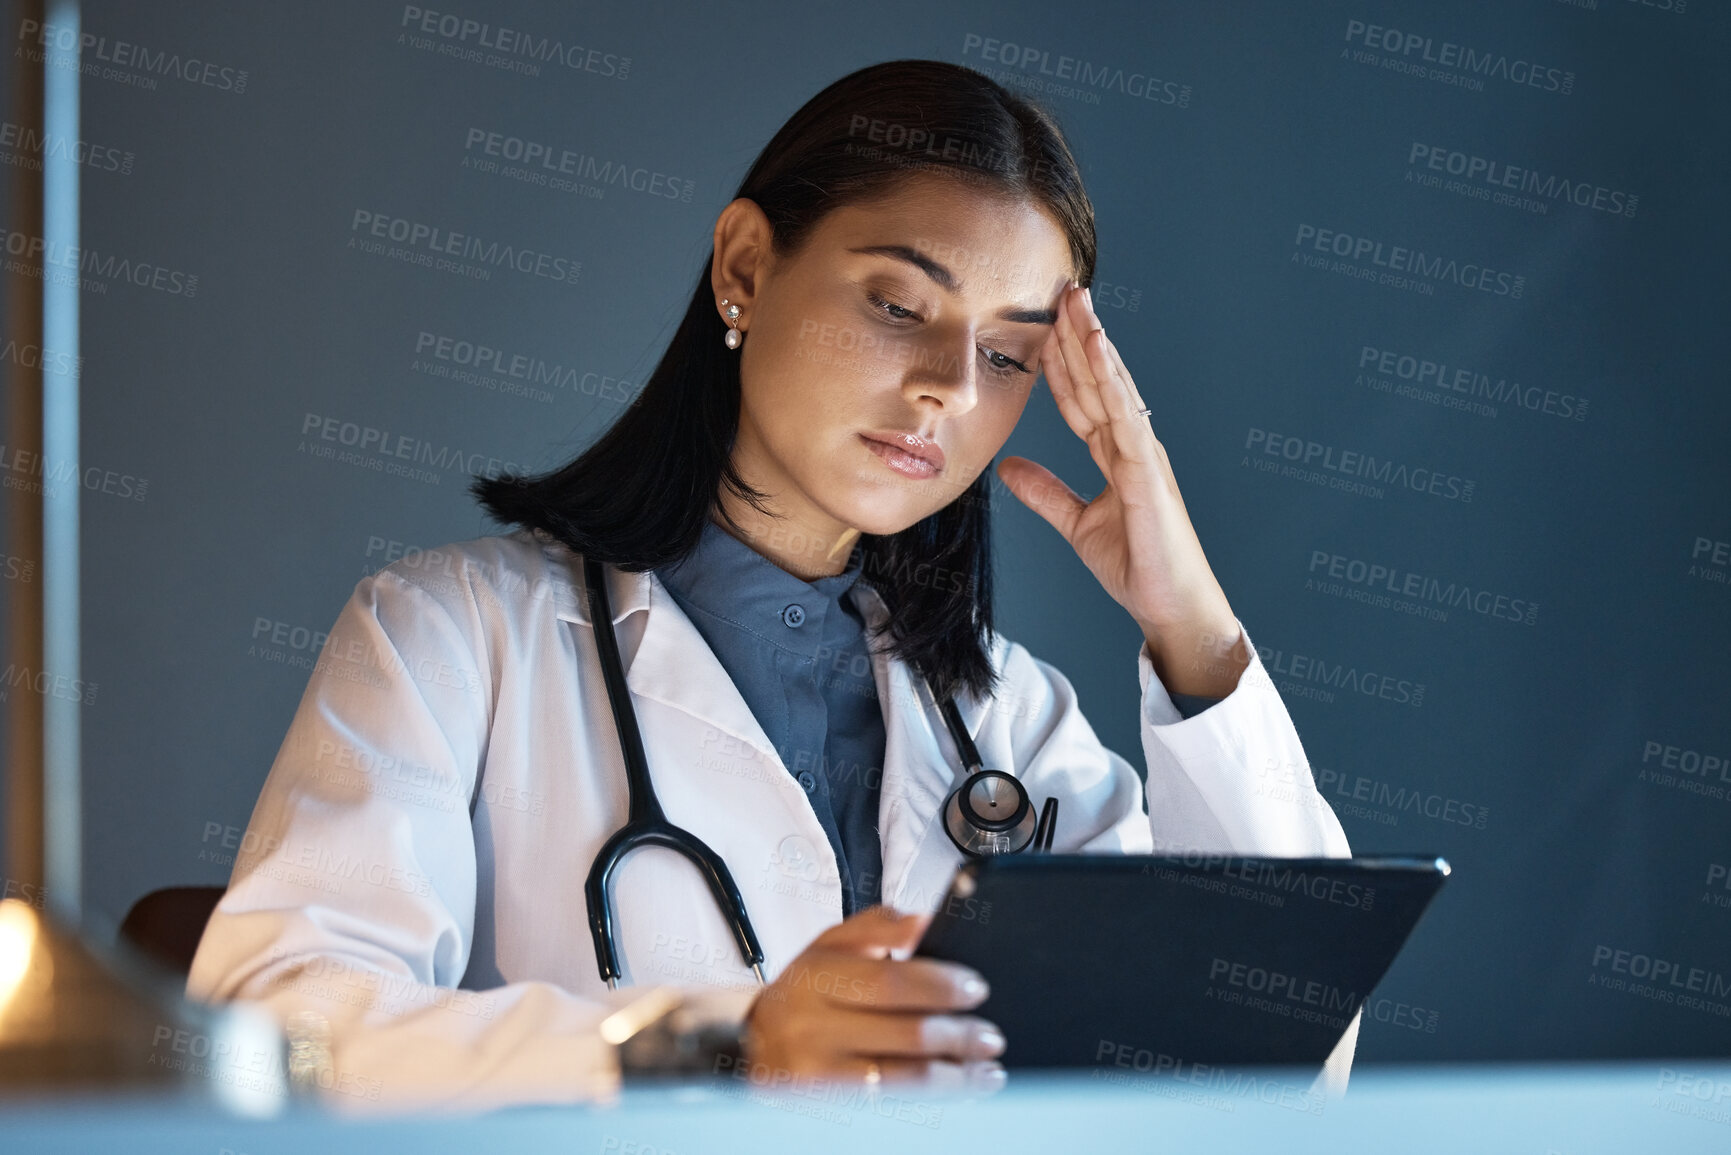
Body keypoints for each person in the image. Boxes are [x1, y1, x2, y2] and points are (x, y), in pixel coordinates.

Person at [185, 58, 1353, 1113]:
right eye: (901, 305)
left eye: (1007, 353)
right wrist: (725, 1046)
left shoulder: (1013, 719)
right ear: (746, 264)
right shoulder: (451, 638)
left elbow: (1276, 1066)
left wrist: (1187, 622)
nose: (951, 385)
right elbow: (278, 1034)